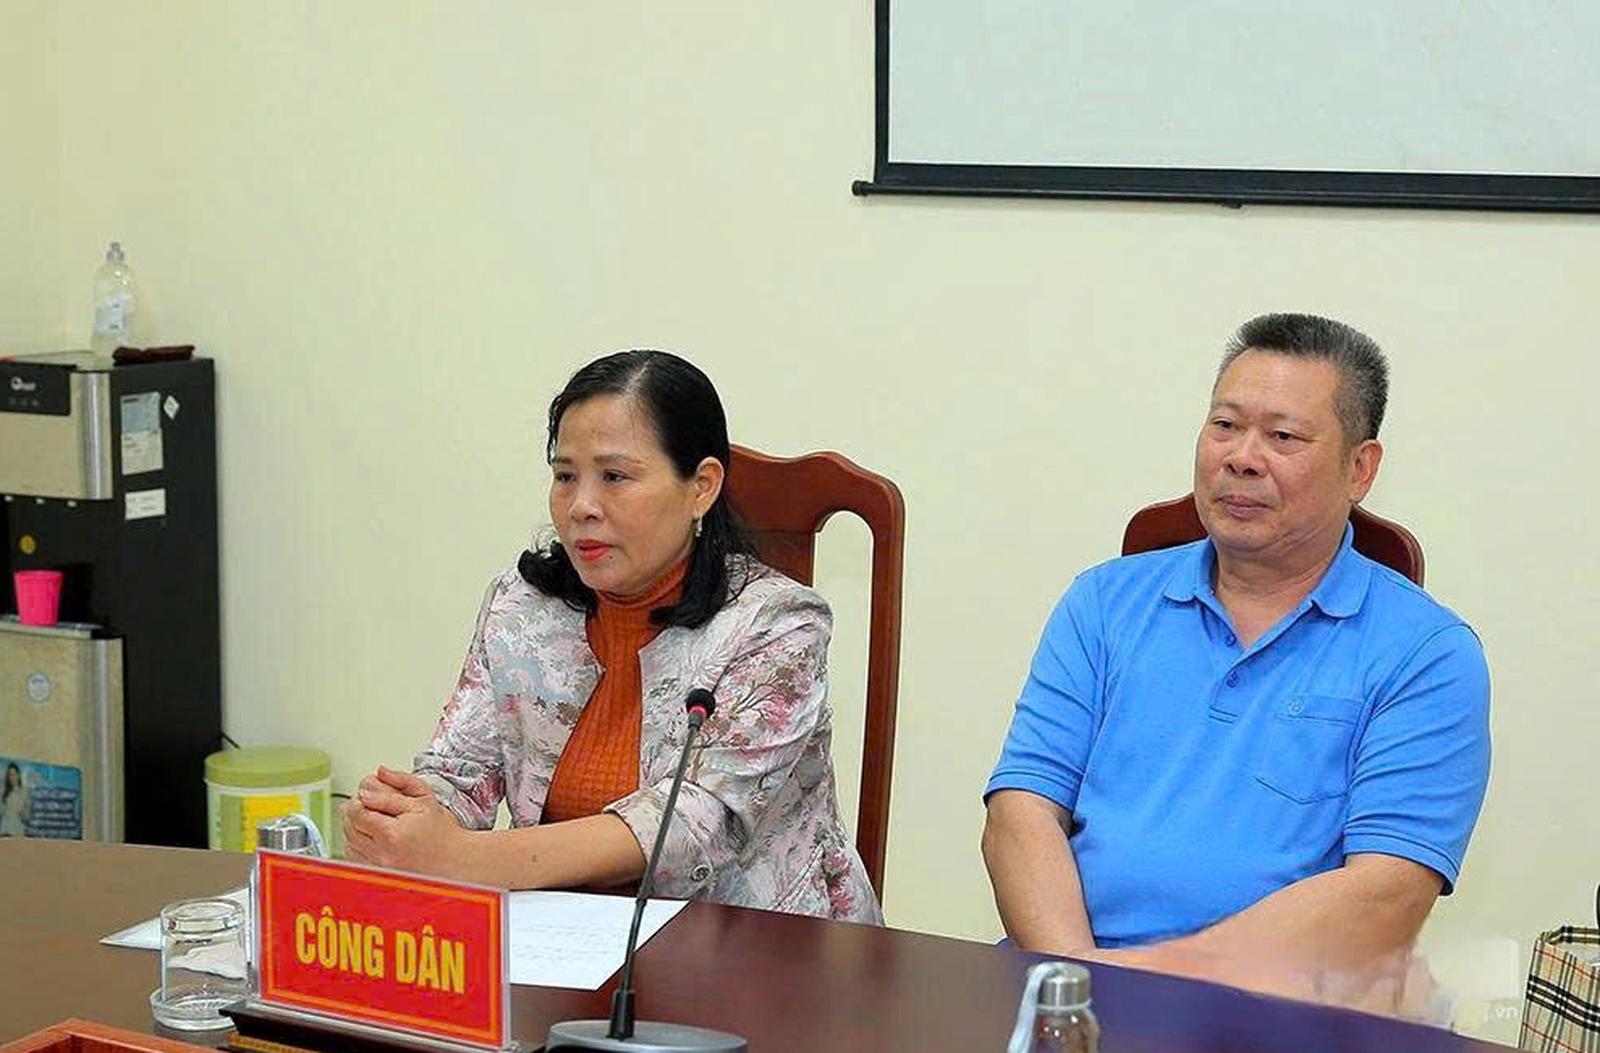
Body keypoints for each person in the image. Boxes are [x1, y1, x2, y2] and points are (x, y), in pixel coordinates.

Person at [982, 313, 1490, 1003]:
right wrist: (1078, 984)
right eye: (1225, 425)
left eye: (1283, 437)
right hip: (1068, 985)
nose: (1242, 457)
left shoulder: (1427, 654)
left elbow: (1385, 897)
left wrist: (1133, 987)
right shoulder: (1102, 603)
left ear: (1360, 469)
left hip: (1283, 1012)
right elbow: (1020, 810)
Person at [343, 350, 880, 923]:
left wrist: (467, 860)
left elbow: (697, 823)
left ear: (701, 487)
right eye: (565, 476)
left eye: (615, 477)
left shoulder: (779, 624)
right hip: (564, 937)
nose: (581, 507)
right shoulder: (521, 606)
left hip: (757, 945)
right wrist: (405, 822)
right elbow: (462, 771)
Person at [1, 763, 28, 837]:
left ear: (18, 775)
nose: (12, 777)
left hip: (17, 829)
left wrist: (23, 812)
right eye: (10, 775)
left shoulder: (23, 791)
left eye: (14, 774)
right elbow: (2, 811)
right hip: (5, 828)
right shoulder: (4, 792)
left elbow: (25, 814)